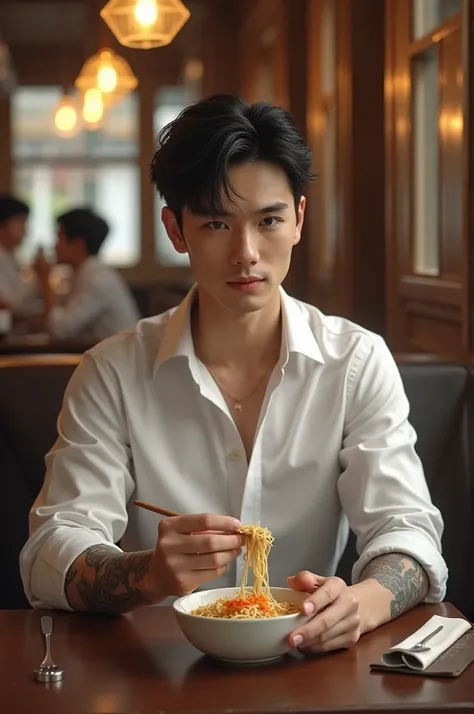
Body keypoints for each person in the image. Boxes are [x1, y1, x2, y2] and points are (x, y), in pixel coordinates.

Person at [20, 95, 446, 654]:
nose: (246, 253)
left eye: (268, 220)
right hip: (156, 666)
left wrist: (360, 604)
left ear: (299, 218)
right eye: (216, 223)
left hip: (308, 662)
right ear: (176, 230)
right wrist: (147, 573)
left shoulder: (356, 361)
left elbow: (406, 528)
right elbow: (54, 546)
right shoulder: (113, 370)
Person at [33, 207, 140, 340]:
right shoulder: (84, 273)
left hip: (121, 358)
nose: (55, 246)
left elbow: (60, 329)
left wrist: (44, 280)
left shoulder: (97, 279)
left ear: (78, 244)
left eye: (59, 238)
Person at [0, 194, 40, 315]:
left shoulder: (7, 257)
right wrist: (39, 275)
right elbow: (10, 304)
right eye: (20, 222)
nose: (25, 230)